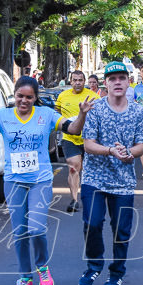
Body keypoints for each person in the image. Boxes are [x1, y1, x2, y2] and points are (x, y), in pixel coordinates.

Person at [0, 77, 92, 285]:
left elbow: (72, 129)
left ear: (35, 98)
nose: (24, 101)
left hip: (40, 180)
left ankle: (42, 267)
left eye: (29, 97)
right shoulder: (2, 116)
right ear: (13, 96)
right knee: (20, 232)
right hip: (14, 181)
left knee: (36, 228)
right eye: (20, 96)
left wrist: (82, 114)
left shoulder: (46, 115)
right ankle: (25, 276)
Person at [77, 62, 143, 285]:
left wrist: (129, 153)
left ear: (129, 81)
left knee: (121, 229)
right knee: (92, 222)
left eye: (122, 78)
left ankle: (117, 272)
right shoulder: (96, 109)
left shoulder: (138, 111)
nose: (117, 82)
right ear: (106, 83)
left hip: (124, 182)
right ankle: (93, 267)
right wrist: (110, 150)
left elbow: (142, 144)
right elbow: (88, 144)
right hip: (94, 178)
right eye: (112, 79)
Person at [55, 70, 99, 213]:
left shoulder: (92, 96)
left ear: (84, 81)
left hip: (89, 138)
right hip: (70, 138)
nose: (78, 83)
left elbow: (99, 117)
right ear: (70, 81)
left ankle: (91, 198)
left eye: (80, 80)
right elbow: (56, 116)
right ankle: (74, 199)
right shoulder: (62, 96)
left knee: (90, 170)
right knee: (74, 167)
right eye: (75, 80)